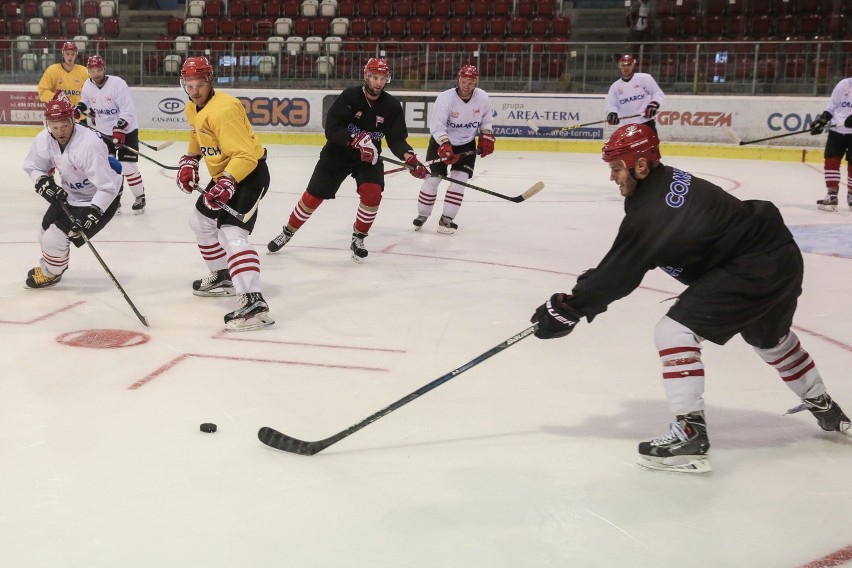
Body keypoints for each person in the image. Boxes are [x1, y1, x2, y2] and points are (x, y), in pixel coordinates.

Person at [529, 124, 850, 474]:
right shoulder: (665, 182)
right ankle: (825, 408)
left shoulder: (651, 212)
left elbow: (621, 273)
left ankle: (689, 435)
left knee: (673, 332)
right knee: (769, 339)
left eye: (617, 168)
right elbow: (629, 259)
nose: (613, 177)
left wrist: (569, 308)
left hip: (751, 265)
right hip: (780, 255)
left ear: (640, 165)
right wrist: (581, 296)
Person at [266, 57, 428, 262]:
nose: (378, 83)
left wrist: (410, 158)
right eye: (375, 77)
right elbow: (332, 129)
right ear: (366, 76)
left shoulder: (392, 106)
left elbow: (397, 140)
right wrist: (354, 141)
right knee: (312, 197)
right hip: (337, 154)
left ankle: (358, 238)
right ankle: (287, 232)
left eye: (383, 78)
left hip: (369, 158)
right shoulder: (350, 96)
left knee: (373, 194)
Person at [176, 56, 274, 331]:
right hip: (226, 177)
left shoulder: (225, 109)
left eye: (199, 84)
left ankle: (254, 301)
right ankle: (222, 274)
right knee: (200, 220)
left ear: (210, 81)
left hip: (249, 176)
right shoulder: (193, 107)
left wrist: (228, 182)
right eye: (189, 84)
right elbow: (198, 135)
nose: (194, 90)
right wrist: (190, 160)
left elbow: (245, 155)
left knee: (232, 233)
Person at [22, 98, 122, 288]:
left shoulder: (89, 145)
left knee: (55, 237)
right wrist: (42, 181)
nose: (60, 132)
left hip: (102, 197)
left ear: (72, 121)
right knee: (44, 230)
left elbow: (108, 186)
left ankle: (51, 272)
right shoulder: (44, 139)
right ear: (48, 124)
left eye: (64, 126)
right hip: (71, 193)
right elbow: (33, 166)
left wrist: (94, 211)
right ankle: (54, 265)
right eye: (54, 126)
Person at [412, 64, 495, 234]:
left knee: (459, 181)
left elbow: (486, 121)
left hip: (466, 144)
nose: (466, 86)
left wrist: (486, 135)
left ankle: (446, 220)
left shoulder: (483, 98)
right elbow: (437, 126)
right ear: (459, 79)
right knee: (434, 178)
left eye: (471, 83)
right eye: (464, 81)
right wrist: (444, 146)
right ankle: (422, 214)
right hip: (441, 142)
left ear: (476, 82)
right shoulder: (445, 98)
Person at [79, 55, 147, 215]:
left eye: (99, 70)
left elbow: (127, 110)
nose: (96, 74)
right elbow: (85, 102)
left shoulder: (117, 84)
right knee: (109, 167)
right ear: (88, 71)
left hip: (127, 130)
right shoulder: (87, 86)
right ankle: (114, 201)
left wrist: (119, 127)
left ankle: (140, 197)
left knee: (127, 165)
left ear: (104, 69)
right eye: (92, 71)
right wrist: (78, 109)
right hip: (103, 132)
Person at [809, 78, 852, 212]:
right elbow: (831, 107)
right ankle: (832, 195)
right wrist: (822, 121)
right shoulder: (844, 84)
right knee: (831, 160)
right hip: (837, 131)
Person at [605, 54, 664, 134]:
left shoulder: (645, 78)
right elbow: (612, 105)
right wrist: (612, 114)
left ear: (633, 65)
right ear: (619, 66)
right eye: (623, 65)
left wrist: (653, 105)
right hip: (626, 127)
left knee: (652, 146)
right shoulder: (614, 87)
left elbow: (657, 93)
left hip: (645, 123)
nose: (626, 68)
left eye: (629, 65)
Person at [37, 41, 89, 111]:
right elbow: (42, 90)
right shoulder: (52, 70)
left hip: (79, 115)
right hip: (58, 113)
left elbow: (93, 91)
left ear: (76, 55)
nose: (70, 57)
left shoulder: (84, 71)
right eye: (67, 54)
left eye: (72, 54)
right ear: (63, 53)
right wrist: (55, 97)